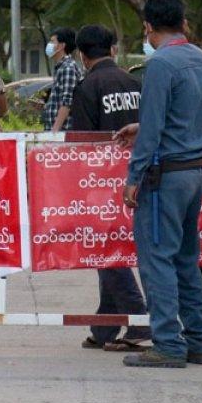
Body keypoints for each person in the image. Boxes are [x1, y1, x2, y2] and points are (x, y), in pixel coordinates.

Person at [113, 0, 202, 368]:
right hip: (195, 171)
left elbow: (155, 127)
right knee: (187, 261)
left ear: (148, 27)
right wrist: (143, 126)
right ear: (183, 22)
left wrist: (133, 176)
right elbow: (187, 117)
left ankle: (168, 344)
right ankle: (197, 341)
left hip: (165, 178)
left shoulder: (160, 64)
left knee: (157, 261)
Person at [69, 24, 152, 353]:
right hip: (138, 176)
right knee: (109, 248)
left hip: (101, 181)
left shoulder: (87, 86)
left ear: (81, 55)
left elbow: (83, 142)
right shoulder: (134, 82)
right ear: (113, 49)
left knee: (106, 249)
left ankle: (138, 319)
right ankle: (105, 326)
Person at [42, 27, 82, 132]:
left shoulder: (68, 68)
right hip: (57, 132)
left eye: (52, 41)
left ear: (62, 46)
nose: (49, 45)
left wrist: (54, 131)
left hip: (62, 133)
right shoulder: (61, 67)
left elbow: (67, 103)